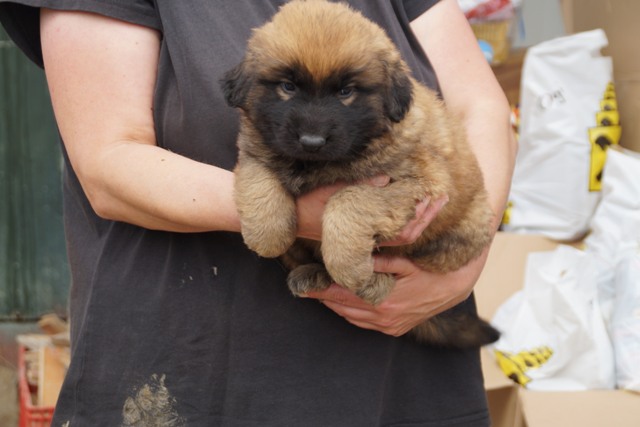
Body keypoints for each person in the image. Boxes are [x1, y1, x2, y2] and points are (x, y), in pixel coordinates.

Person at [0, 0, 516, 425]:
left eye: (344, 91)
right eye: (288, 87)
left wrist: (462, 263)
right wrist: (288, 211)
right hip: (196, 358)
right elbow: (108, 163)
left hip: (398, 369)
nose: (313, 128)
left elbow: (481, 107)